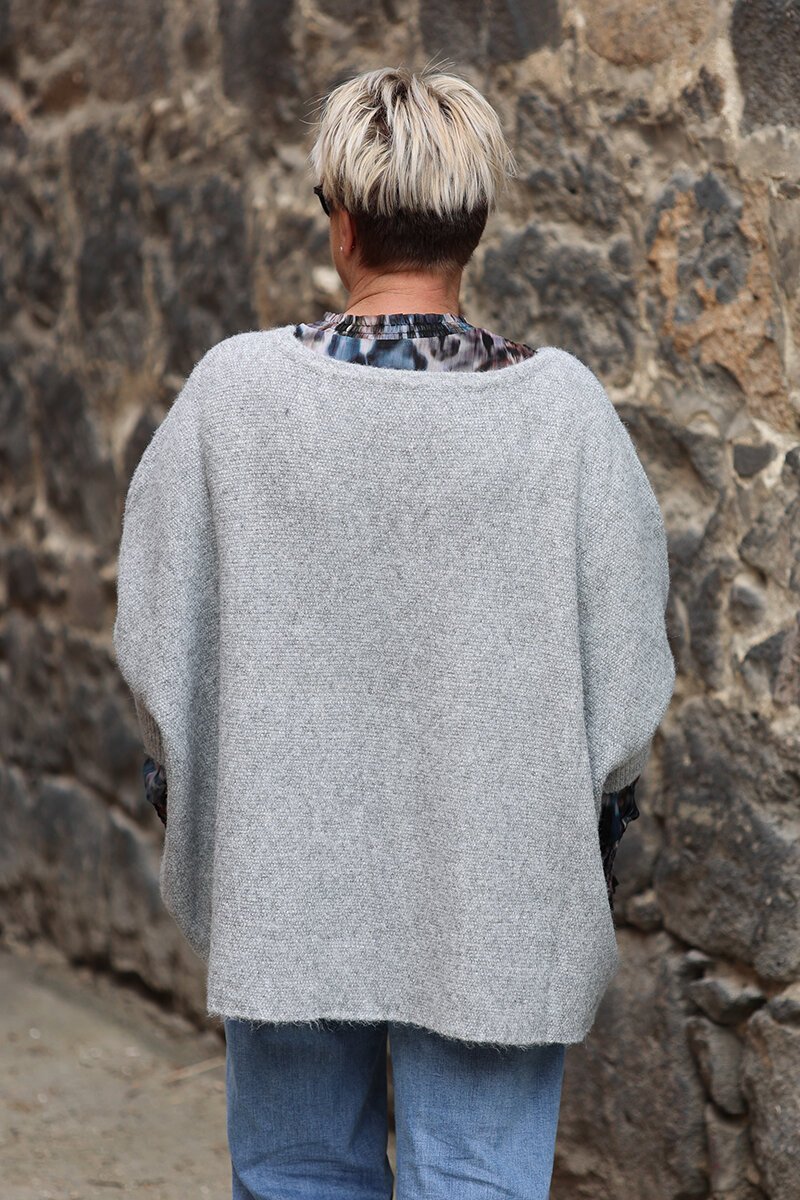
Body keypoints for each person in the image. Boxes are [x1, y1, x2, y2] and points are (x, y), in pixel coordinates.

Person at [113, 64, 675, 1200]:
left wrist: (210, 801)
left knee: (298, 1176)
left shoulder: (234, 396)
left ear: (344, 224)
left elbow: (157, 642)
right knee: (474, 1180)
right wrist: (579, 819)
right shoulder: (565, 414)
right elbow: (624, 691)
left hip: (283, 878)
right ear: (472, 229)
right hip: (498, 887)